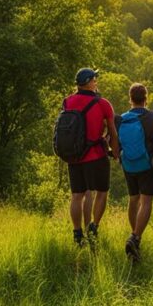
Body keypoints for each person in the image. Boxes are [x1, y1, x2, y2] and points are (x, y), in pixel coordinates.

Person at [63, 68, 120, 247]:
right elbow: (112, 131)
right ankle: (94, 227)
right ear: (88, 82)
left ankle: (77, 232)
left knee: (77, 195)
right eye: (95, 79)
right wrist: (116, 153)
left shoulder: (67, 101)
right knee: (102, 192)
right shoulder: (103, 103)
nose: (97, 82)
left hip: (74, 156)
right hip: (96, 155)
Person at [115, 83, 153, 262]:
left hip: (128, 165)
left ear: (130, 98)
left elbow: (116, 144)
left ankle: (135, 238)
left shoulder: (121, 119)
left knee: (133, 199)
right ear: (146, 98)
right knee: (146, 201)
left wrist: (120, 157)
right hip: (146, 166)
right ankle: (135, 237)